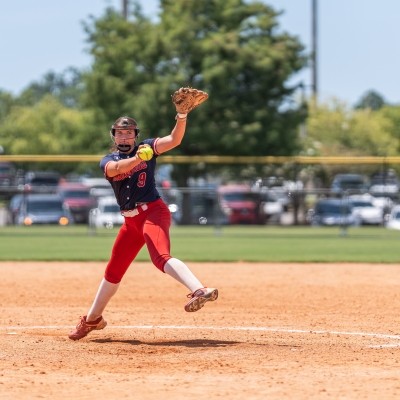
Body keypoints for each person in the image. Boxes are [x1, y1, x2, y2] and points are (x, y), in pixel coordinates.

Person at [69, 112, 218, 341]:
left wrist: (181, 116)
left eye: (129, 133)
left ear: (136, 136)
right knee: (113, 272)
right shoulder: (108, 160)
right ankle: (92, 319)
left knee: (160, 257)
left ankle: (199, 290)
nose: (125, 137)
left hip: (153, 212)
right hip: (130, 222)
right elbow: (117, 170)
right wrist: (140, 158)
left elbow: (174, 140)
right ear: (114, 136)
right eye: (121, 133)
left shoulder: (148, 147)